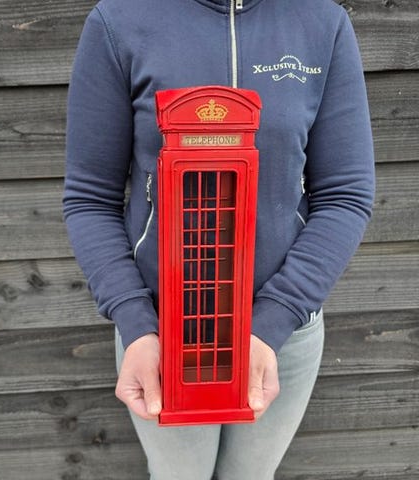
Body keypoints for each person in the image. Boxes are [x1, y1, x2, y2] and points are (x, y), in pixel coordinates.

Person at [62, 0, 375, 478]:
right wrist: (136, 322)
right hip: (162, 335)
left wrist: (276, 320)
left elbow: (346, 193)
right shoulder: (120, 21)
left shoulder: (321, 23)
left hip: (281, 335)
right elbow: (90, 197)